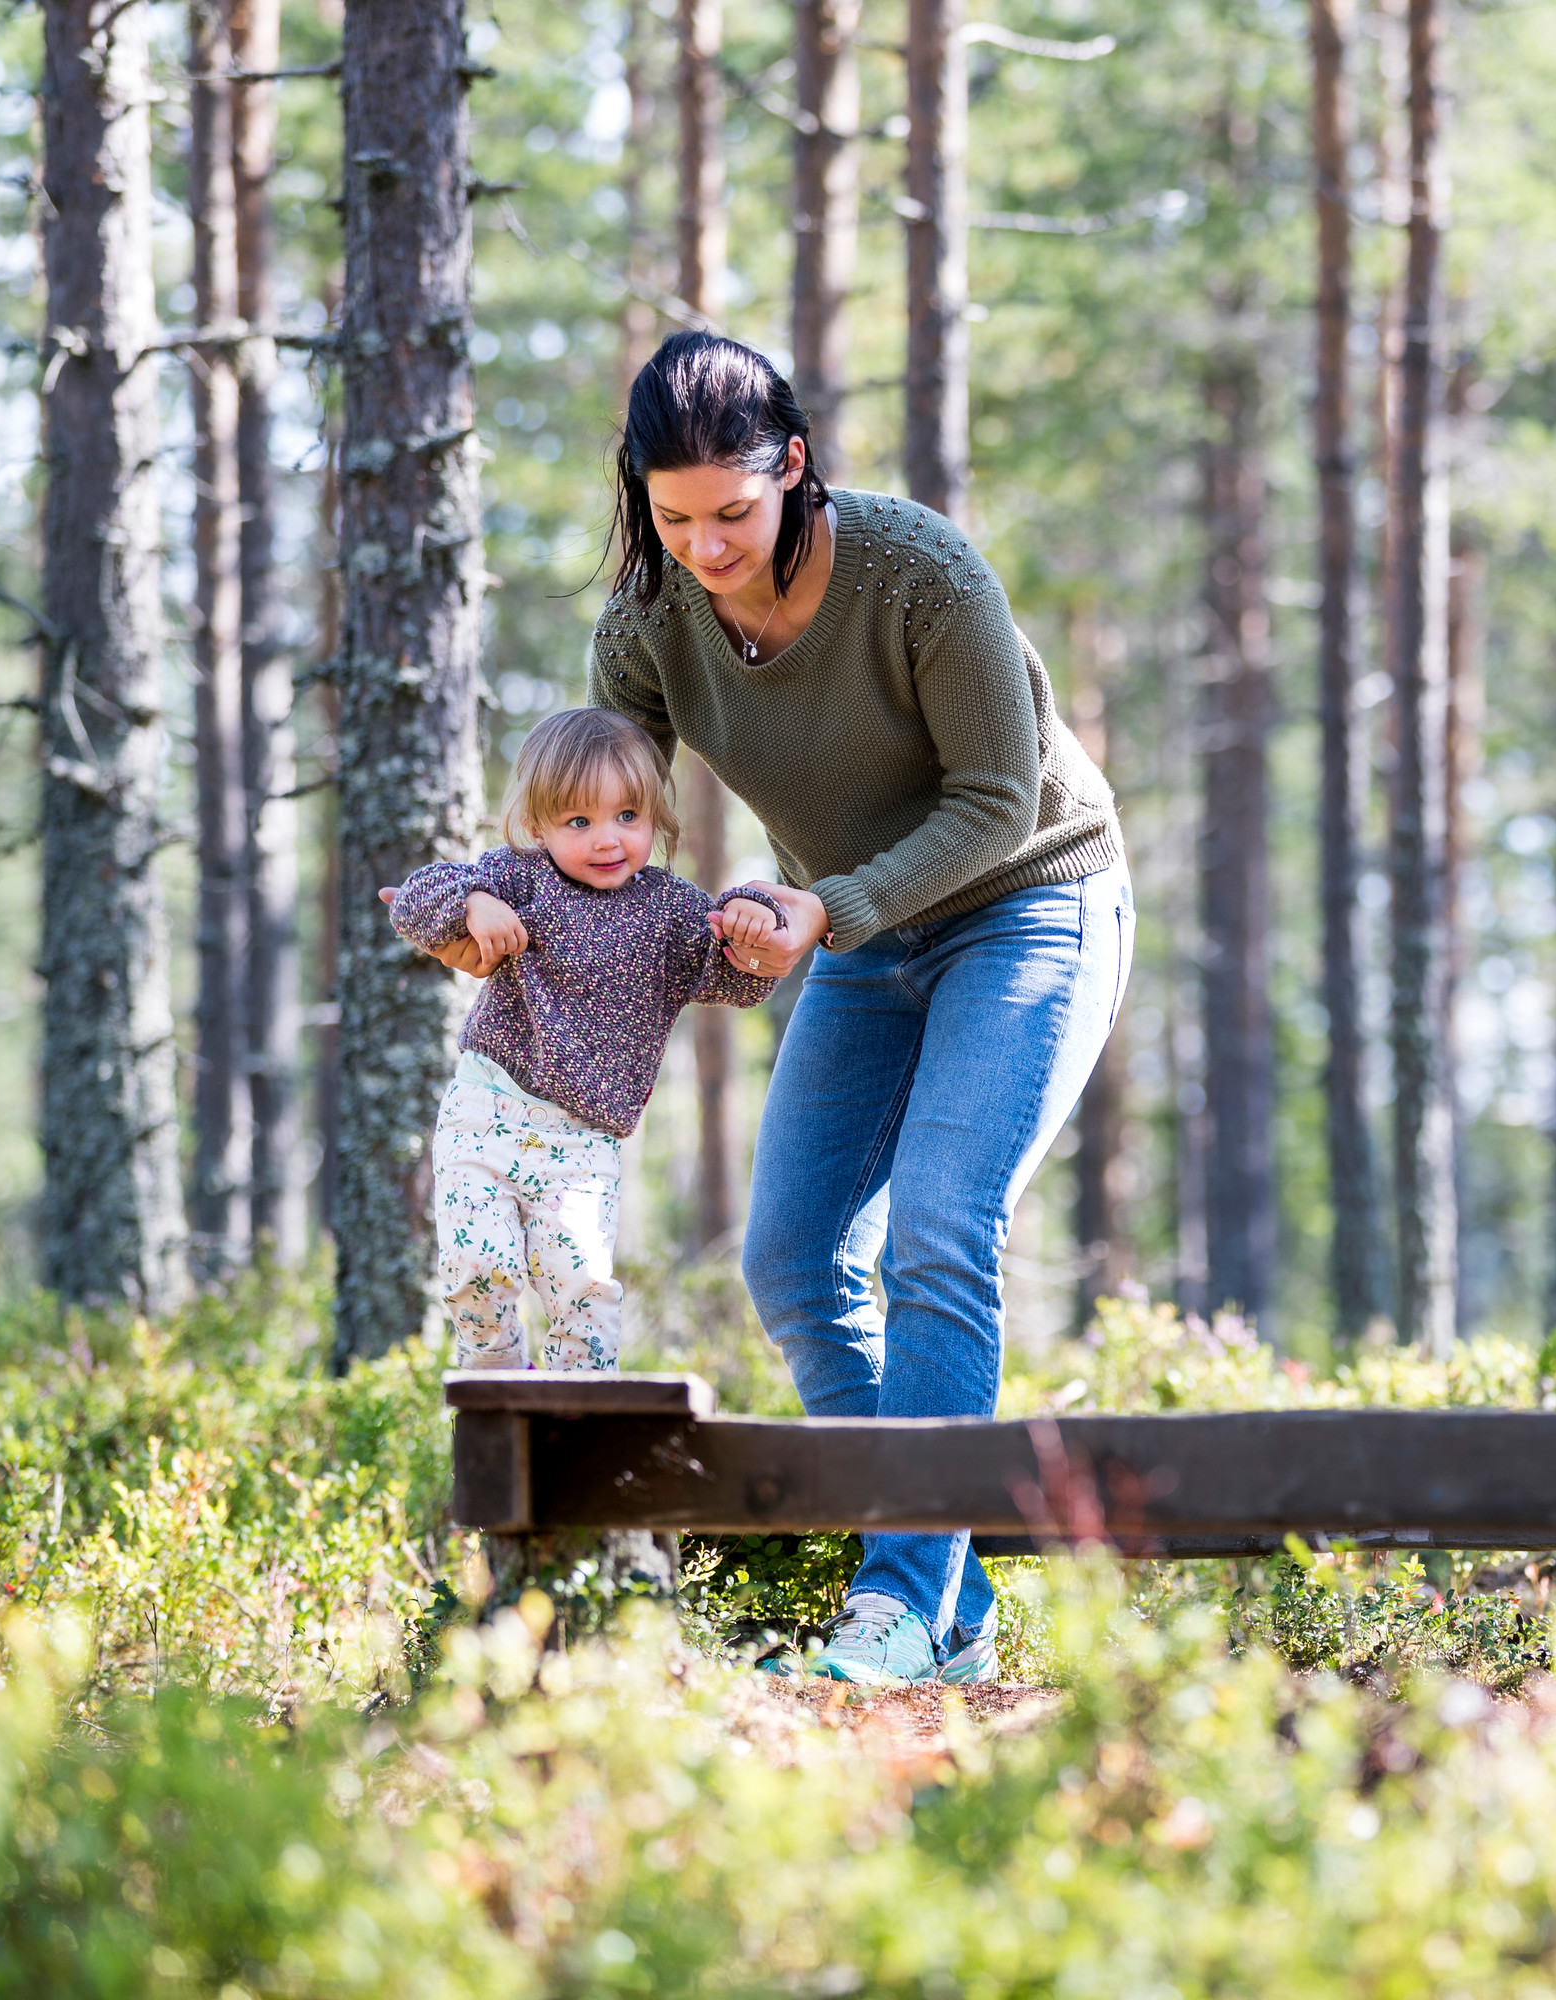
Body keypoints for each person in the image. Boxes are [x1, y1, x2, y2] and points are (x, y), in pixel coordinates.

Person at [411, 331, 1131, 1687]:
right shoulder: (647, 620)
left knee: (940, 1224)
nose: (708, 546)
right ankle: (944, 1597)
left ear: (793, 465)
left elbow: (996, 799)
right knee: (794, 1261)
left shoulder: (920, 575)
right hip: (852, 928)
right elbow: (597, 836)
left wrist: (823, 908)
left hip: (1031, 901)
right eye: (673, 518)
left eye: (734, 511)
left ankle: (903, 1606)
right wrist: (491, 926)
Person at [388, 705, 782, 1374]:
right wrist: (472, 905)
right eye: (579, 821)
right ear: (539, 827)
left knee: (583, 1292)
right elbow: (416, 897)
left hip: (583, 1142)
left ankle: (578, 1422)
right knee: (478, 1268)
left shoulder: (672, 909)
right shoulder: (520, 876)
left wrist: (754, 917)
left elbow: (738, 981)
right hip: (489, 1112)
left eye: (627, 816)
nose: (607, 839)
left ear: (654, 814)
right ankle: (496, 1393)